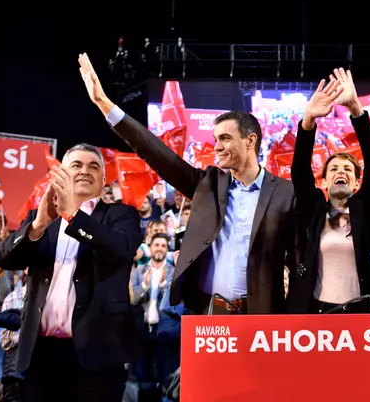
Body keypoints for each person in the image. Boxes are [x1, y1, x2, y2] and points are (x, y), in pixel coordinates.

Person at [78, 53, 298, 315]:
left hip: (262, 315)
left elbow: (298, 255)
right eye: (215, 139)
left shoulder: (285, 193)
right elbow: (158, 153)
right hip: (208, 312)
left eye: (225, 138)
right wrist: (105, 104)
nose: (217, 147)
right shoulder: (208, 184)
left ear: (250, 140)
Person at [0, 143, 142, 402]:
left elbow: (119, 248)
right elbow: (4, 258)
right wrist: (38, 225)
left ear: (104, 179)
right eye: (76, 165)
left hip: (97, 356)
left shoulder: (121, 215)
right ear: (61, 173)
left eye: (94, 166)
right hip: (40, 354)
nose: (85, 171)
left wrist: (72, 213)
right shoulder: (43, 218)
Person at [288, 69, 370, 314]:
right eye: (334, 169)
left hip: (361, 311)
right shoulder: (313, 209)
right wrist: (308, 122)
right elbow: (300, 173)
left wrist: (356, 108)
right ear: (323, 182)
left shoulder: (363, 208)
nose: (340, 172)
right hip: (317, 311)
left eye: (348, 169)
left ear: (357, 183)